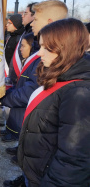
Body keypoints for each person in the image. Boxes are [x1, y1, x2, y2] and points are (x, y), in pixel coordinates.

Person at [3, 0, 68, 187]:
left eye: (35, 18)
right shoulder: (46, 52)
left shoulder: (57, 60)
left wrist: (6, 97)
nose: (31, 22)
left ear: (49, 22)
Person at [18, 18, 90, 186]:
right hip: (37, 173)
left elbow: (74, 160)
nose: (39, 53)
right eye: (40, 46)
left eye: (47, 48)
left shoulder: (79, 92)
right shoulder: (59, 76)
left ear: (67, 48)